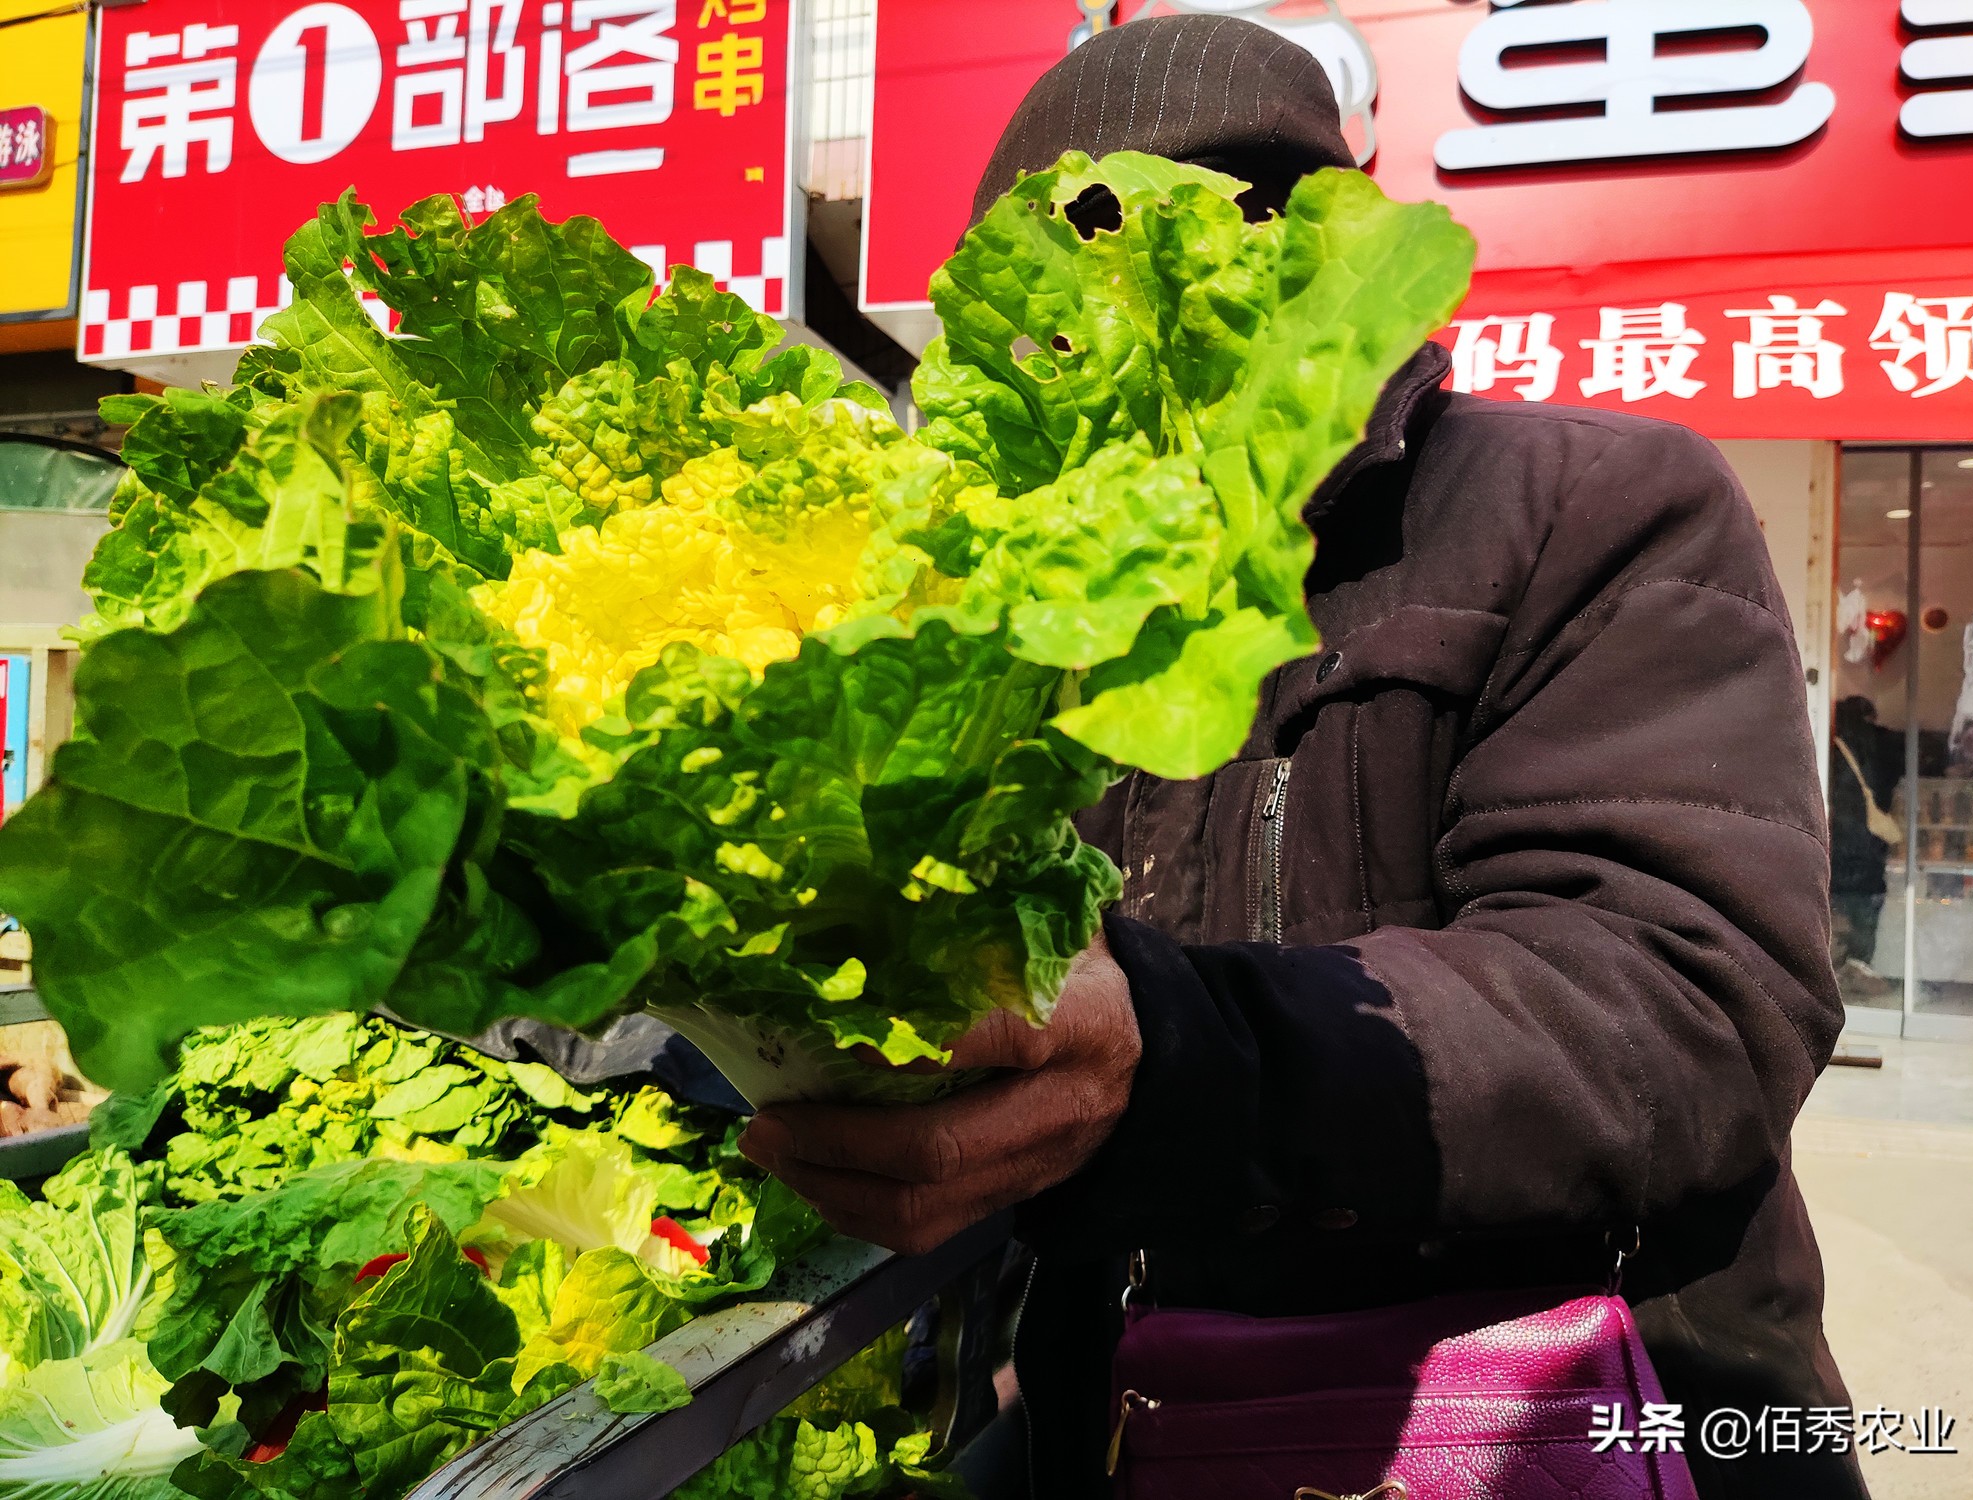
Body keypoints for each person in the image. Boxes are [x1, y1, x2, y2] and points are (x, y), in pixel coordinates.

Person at [739, 18, 1861, 1499]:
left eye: (1226, 227)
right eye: (1051, 275)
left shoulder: (1591, 502)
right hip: (1147, 1418)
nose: (1137, 306)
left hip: (1558, 1424)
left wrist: (1182, 1059)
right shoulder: (1028, 609)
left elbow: (1692, 998)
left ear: (1325, 247)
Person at [1829, 695, 1901, 1000]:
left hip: (1839, 848)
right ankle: (1859, 971)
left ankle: (1837, 979)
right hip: (1870, 850)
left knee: (1838, 918)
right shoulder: (1881, 747)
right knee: (1866, 917)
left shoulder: (1831, 747)